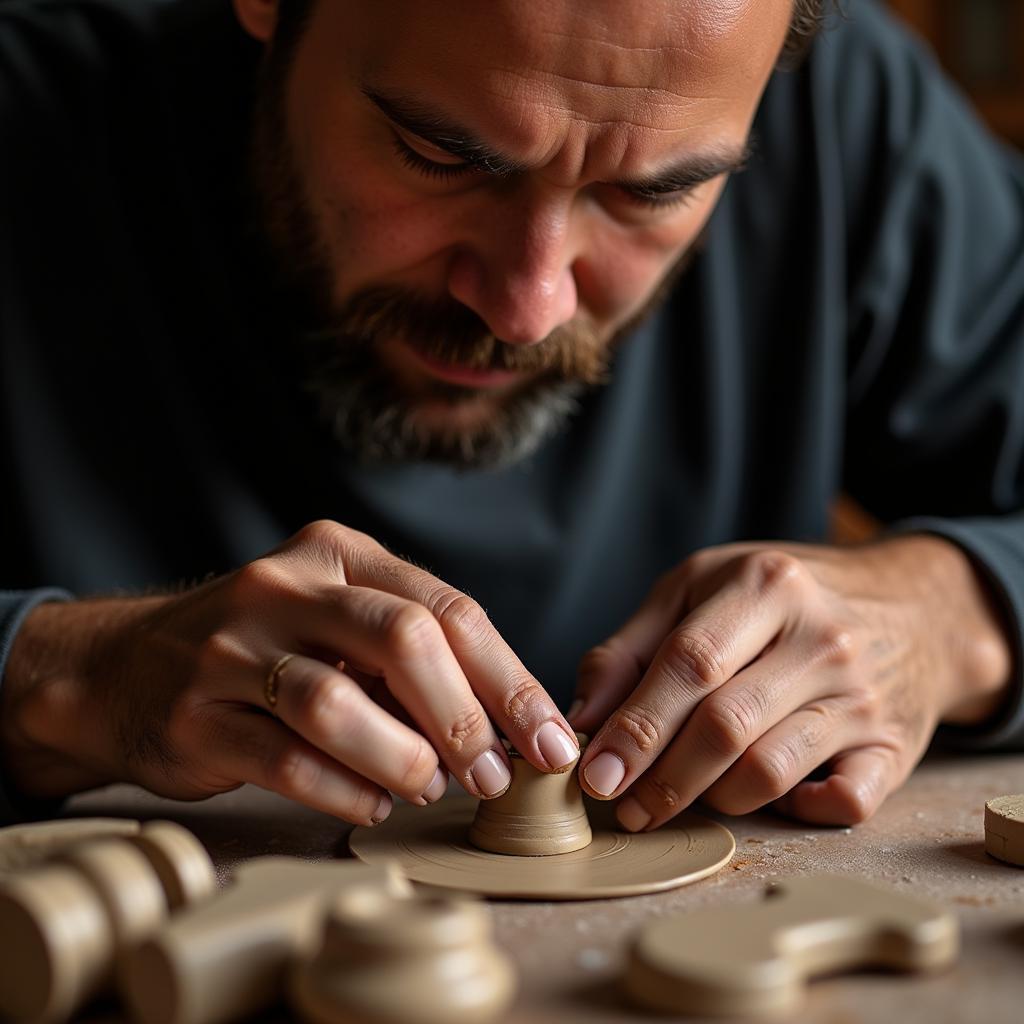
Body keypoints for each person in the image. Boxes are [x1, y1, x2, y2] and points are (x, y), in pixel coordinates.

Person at [1, 0, 1022, 835]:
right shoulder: (31, 110)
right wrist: (61, 675)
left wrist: (951, 615)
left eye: (648, 195)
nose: (526, 307)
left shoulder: (841, 112)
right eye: (441, 157)